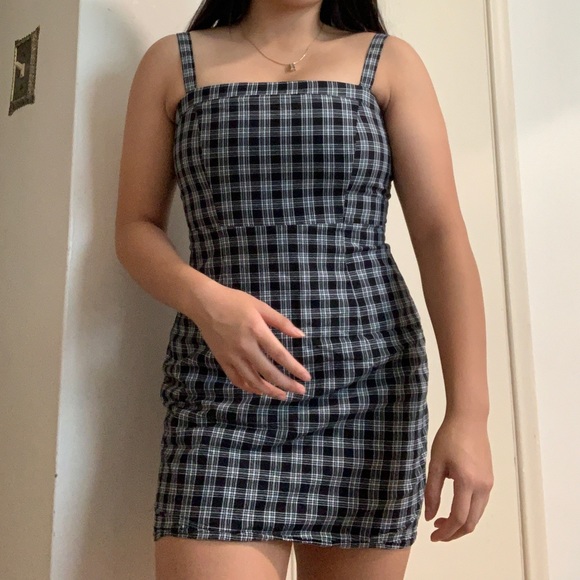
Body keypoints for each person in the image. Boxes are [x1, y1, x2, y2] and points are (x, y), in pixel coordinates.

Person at [115, 1, 494, 578]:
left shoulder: (389, 62)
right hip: (221, 393)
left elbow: (441, 235)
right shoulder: (172, 63)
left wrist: (470, 415)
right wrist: (207, 303)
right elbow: (135, 229)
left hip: (369, 392)